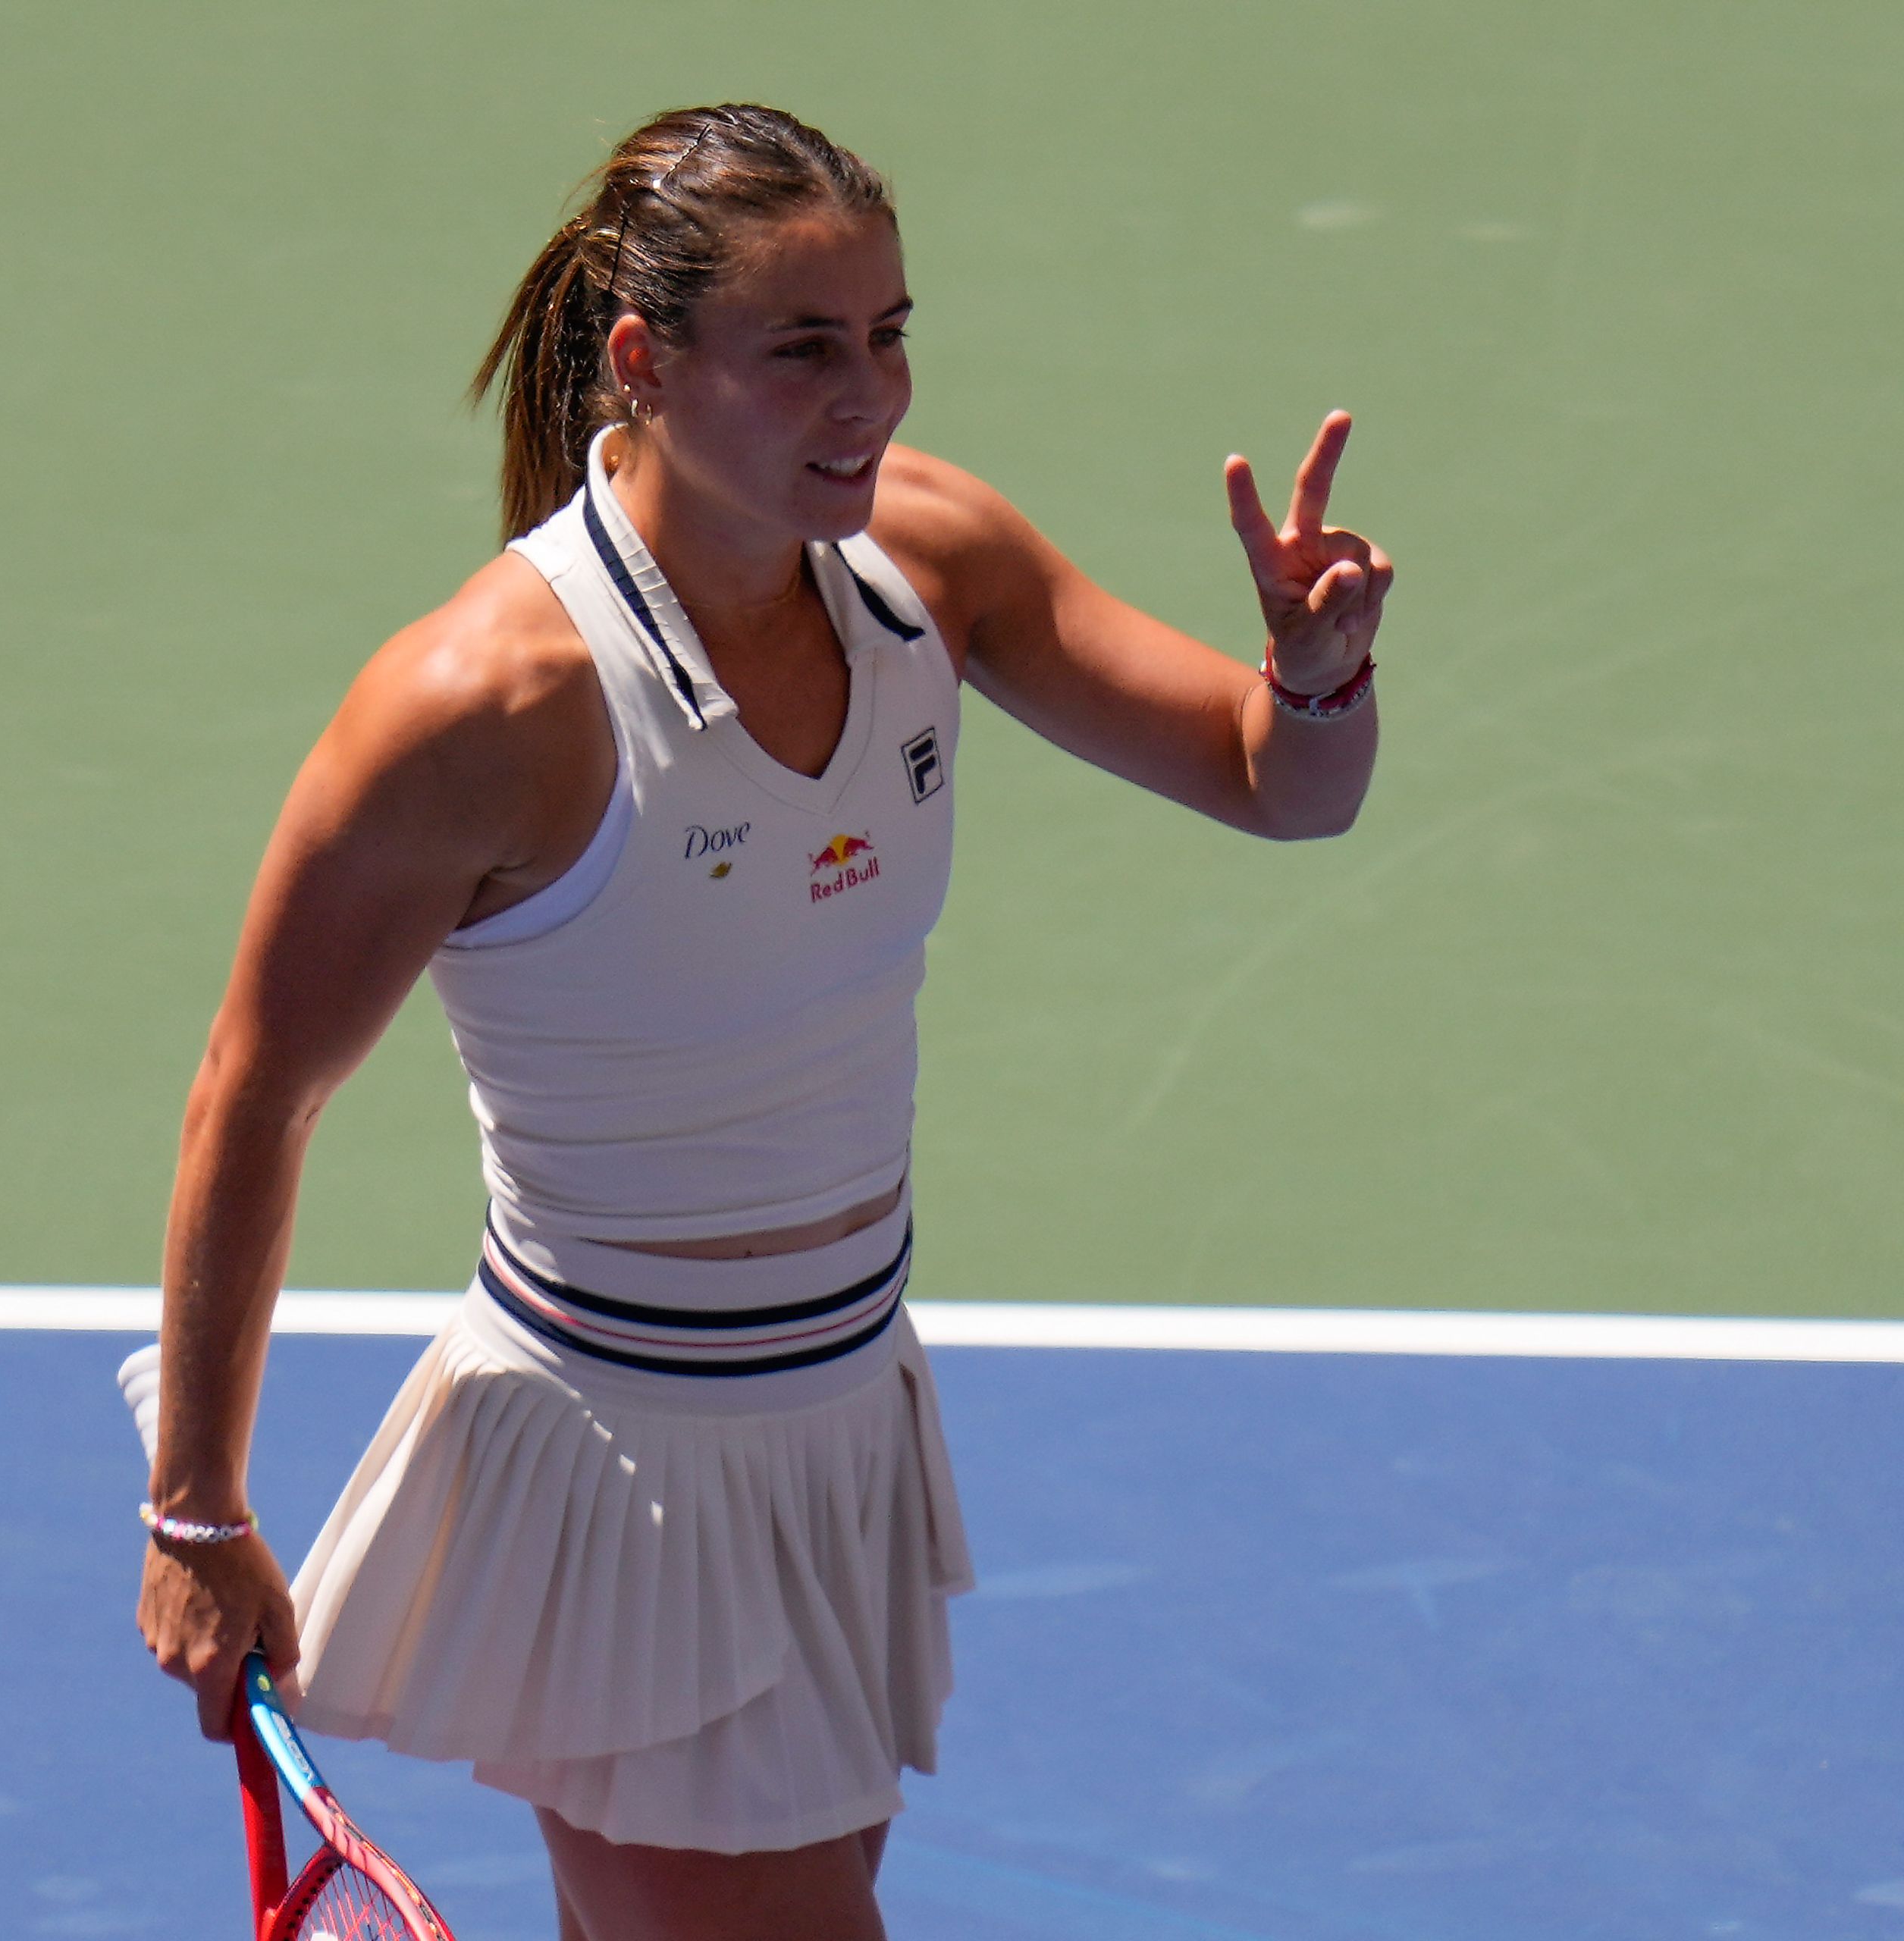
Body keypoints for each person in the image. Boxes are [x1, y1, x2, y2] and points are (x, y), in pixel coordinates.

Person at [133, 102, 1388, 1941]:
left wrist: (1319, 674)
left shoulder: (927, 567)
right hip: (622, 1476)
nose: (865, 395)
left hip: (838, 1420)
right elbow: (254, 1089)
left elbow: (1279, 784)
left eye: (886, 334)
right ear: (645, 363)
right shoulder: (484, 704)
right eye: (804, 347)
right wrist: (194, 1511)